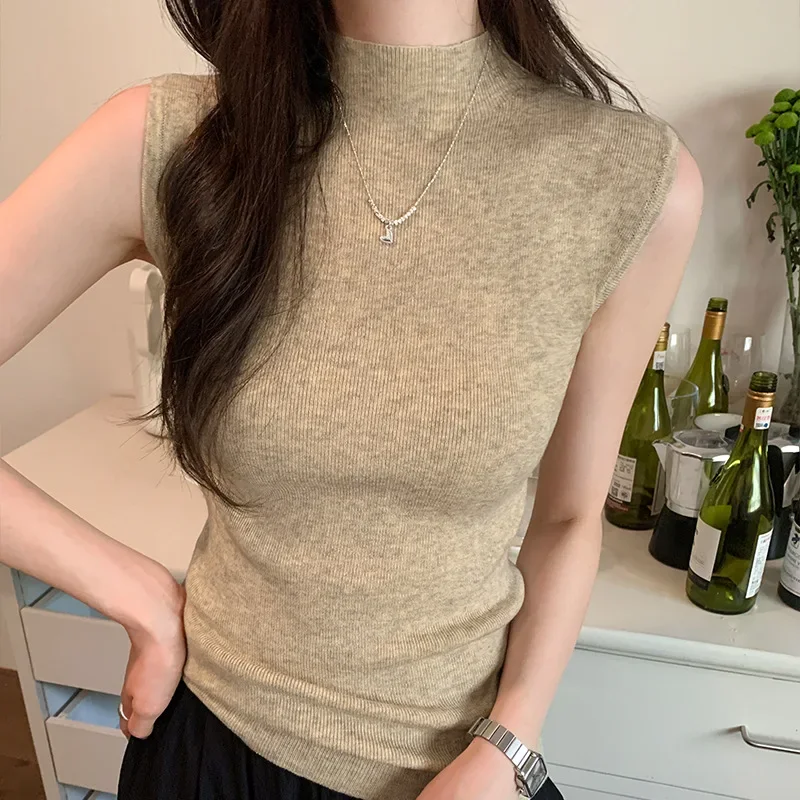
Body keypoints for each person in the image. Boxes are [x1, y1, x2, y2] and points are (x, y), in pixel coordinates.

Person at [0, 0, 702, 798]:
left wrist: (511, 740)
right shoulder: (170, 139)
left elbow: (571, 519)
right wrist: (137, 593)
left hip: (462, 771)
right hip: (213, 750)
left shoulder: (630, 181)